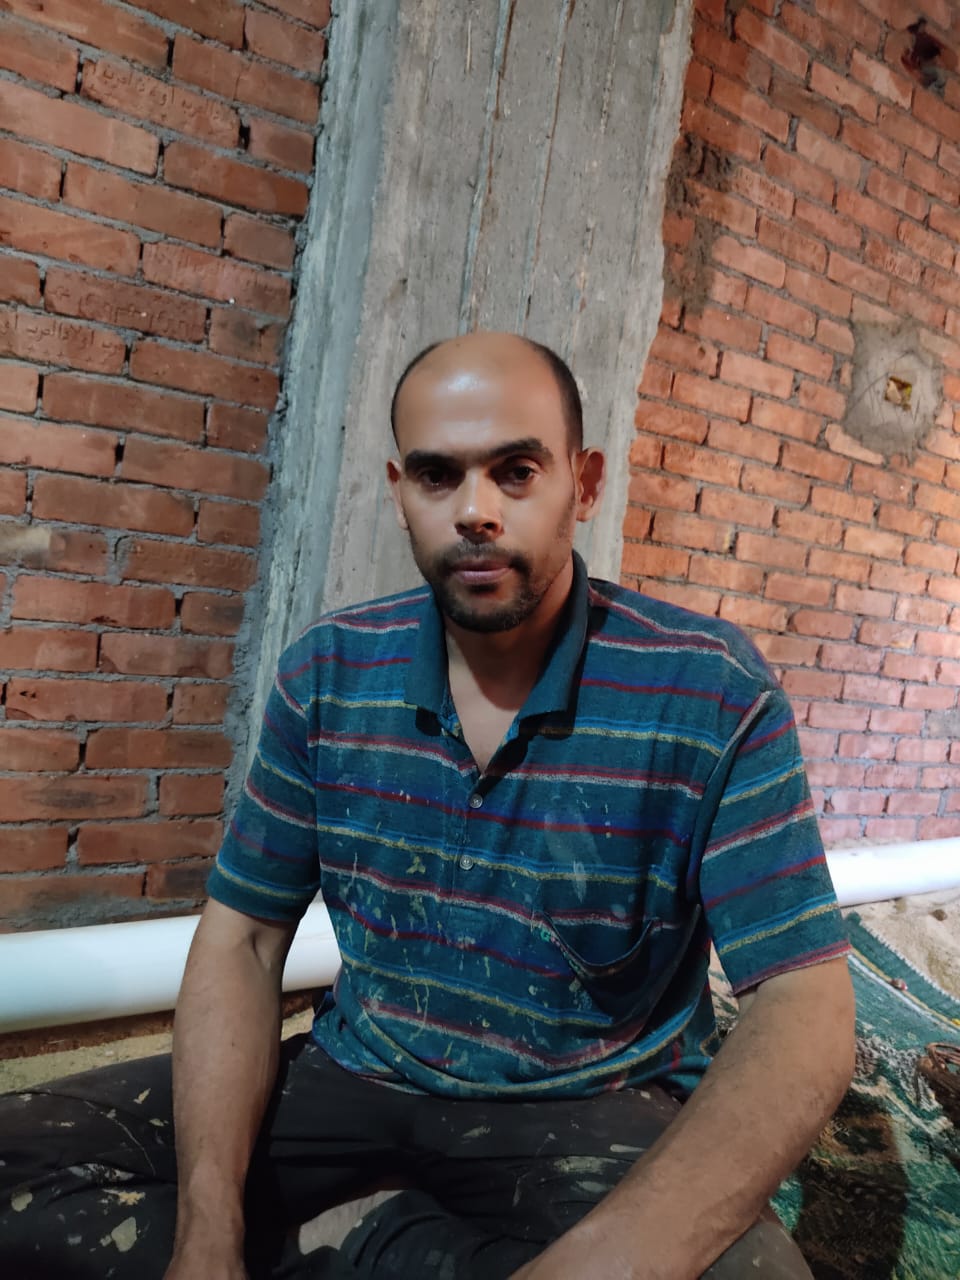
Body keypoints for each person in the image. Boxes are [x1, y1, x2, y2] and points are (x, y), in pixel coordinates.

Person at [0, 332, 855, 1280]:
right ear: (399, 489)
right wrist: (207, 1228)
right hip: (356, 1074)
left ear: (584, 484)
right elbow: (243, 939)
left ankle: (368, 1243)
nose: (476, 511)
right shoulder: (329, 672)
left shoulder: (709, 689)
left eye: (517, 471)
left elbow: (803, 1008)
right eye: (439, 476)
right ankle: (383, 1245)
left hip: (586, 1108)